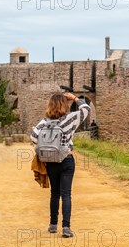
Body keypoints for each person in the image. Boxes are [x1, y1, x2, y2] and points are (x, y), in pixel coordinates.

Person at [30, 92, 91, 238]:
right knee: (66, 194)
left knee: (54, 194)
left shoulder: (44, 122)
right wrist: (75, 98)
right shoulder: (70, 119)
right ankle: (66, 228)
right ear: (64, 104)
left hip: (51, 162)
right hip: (66, 160)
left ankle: (52, 225)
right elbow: (86, 109)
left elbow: (33, 137)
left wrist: (45, 148)